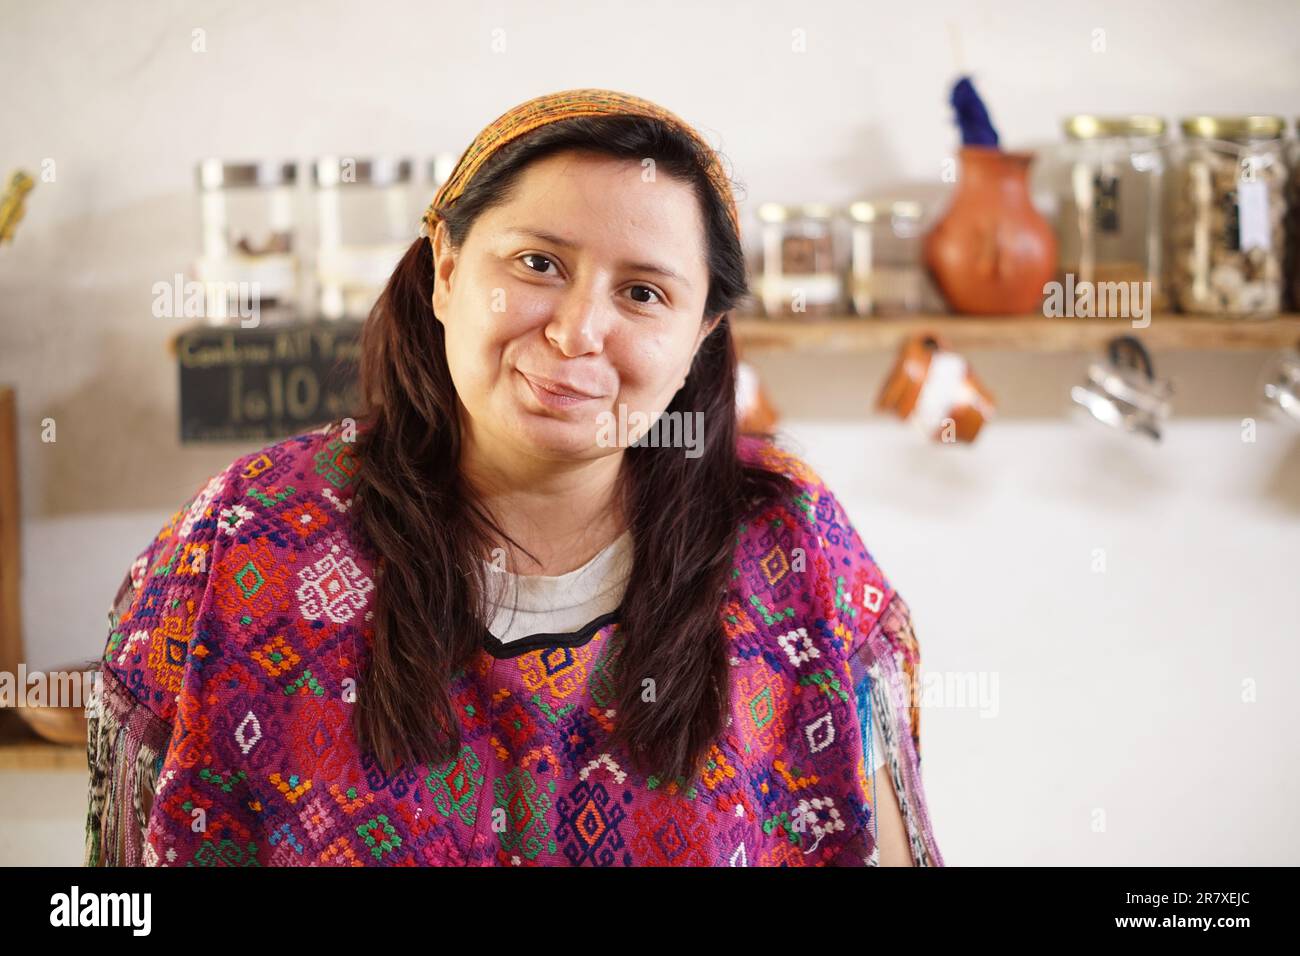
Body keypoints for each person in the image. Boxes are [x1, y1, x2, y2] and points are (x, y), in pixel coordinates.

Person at [84, 88, 943, 867]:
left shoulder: (789, 547)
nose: (577, 332)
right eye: (538, 264)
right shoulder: (250, 537)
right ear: (447, 268)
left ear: (701, 337)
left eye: (643, 293)